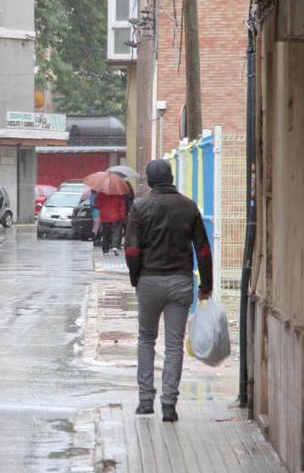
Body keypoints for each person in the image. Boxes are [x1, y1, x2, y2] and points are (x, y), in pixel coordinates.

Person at [124, 159, 212, 422]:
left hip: (149, 281)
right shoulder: (188, 206)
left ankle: (145, 401)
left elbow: (131, 250)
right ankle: (170, 404)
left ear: (149, 181)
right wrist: (205, 285)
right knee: (174, 345)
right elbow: (204, 249)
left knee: (146, 340)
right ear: (171, 177)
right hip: (180, 282)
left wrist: (136, 277)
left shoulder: (140, 207)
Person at [95, 191, 126, 255]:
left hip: (105, 217)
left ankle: (105, 251)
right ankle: (114, 246)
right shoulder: (119, 194)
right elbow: (122, 206)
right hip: (116, 216)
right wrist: (122, 217)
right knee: (116, 232)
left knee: (105, 234)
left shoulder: (101, 193)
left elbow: (97, 205)